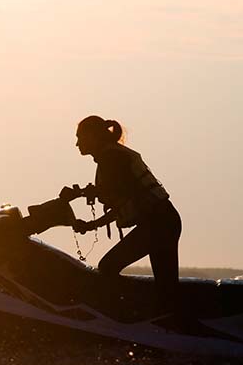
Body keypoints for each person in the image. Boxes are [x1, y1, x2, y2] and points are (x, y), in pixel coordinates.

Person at [61, 115, 182, 315]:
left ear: (93, 136)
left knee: (107, 266)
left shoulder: (112, 158)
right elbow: (123, 201)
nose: (77, 144)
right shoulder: (110, 157)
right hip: (165, 222)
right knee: (166, 287)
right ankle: (168, 320)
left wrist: (82, 193)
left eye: (80, 138)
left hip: (158, 225)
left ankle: (123, 315)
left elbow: (120, 190)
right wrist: (91, 224)